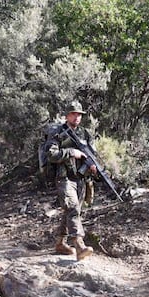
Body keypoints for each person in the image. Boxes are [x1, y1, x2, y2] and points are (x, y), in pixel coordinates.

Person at [46, 100, 96, 261]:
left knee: (71, 211)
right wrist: (70, 152)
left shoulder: (85, 134)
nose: (76, 117)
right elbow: (51, 155)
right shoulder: (57, 133)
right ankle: (79, 245)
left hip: (80, 179)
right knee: (73, 208)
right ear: (67, 115)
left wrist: (93, 165)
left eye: (79, 115)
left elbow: (91, 153)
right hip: (64, 178)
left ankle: (60, 243)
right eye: (73, 114)